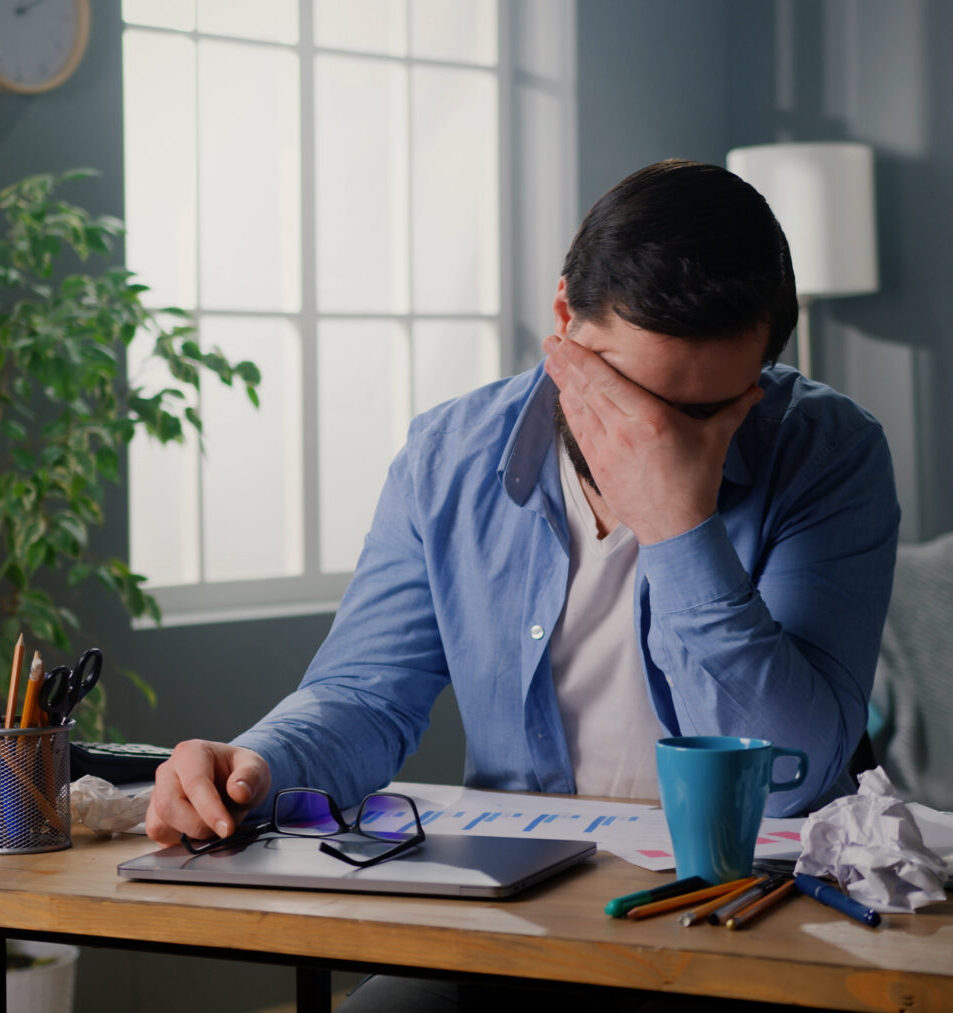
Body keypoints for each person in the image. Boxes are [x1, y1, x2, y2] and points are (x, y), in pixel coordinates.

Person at [148, 157, 899, 862]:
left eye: (700, 412)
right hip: (520, 894)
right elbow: (364, 697)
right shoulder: (448, 455)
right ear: (564, 317)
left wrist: (679, 526)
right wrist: (258, 762)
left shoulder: (828, 453)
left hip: (747, 901)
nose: (653, 434)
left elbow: (791, 777)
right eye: (625, 393)